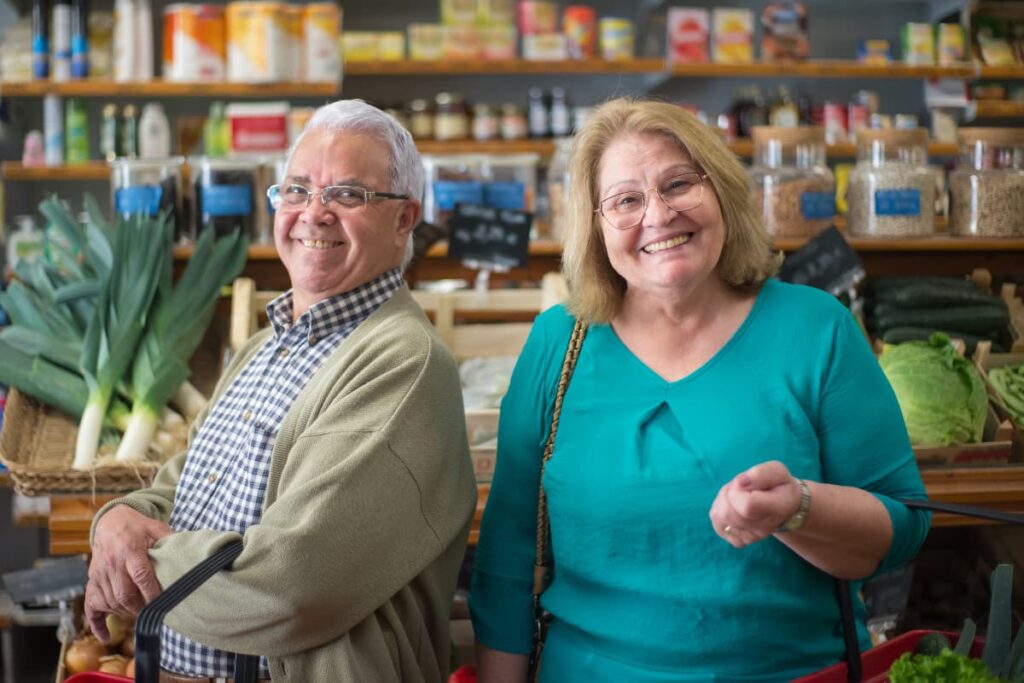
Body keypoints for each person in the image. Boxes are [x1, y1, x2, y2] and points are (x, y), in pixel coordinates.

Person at [469, 98, 931, 682]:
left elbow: (903, 525)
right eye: (626, 200)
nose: (658, 215)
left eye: (679, 183)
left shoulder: (816, 327)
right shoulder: (557, 344)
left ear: (721, 193)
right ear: (595, 226)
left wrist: (799, 509)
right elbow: (507, 562)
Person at [85, 99, 478, 683]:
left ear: (403, 219)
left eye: (348, 195)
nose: (313, 213)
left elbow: (290, 587)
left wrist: (138, 566)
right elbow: (182, 490)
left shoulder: (403, 363)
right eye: (296, 190)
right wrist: (116, 522)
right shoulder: (264, 346)